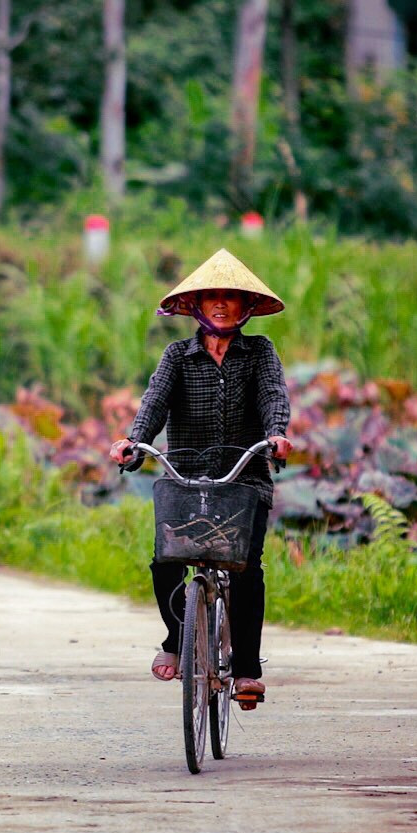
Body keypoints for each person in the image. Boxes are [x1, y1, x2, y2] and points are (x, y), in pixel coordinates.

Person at [109, 249, 292, 702]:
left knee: (247, 570)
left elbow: (273, 395)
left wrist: (276, 434)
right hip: (186, 477)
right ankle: (177, 638)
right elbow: (154, 402)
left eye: (230, 297)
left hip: (244, 477)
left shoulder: (260, 353)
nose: (221, 304)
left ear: (246, 306)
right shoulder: (178, 356)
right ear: (195, 305)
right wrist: (133, 442)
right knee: (165, 560)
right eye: (212, 296)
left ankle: (247, 668)